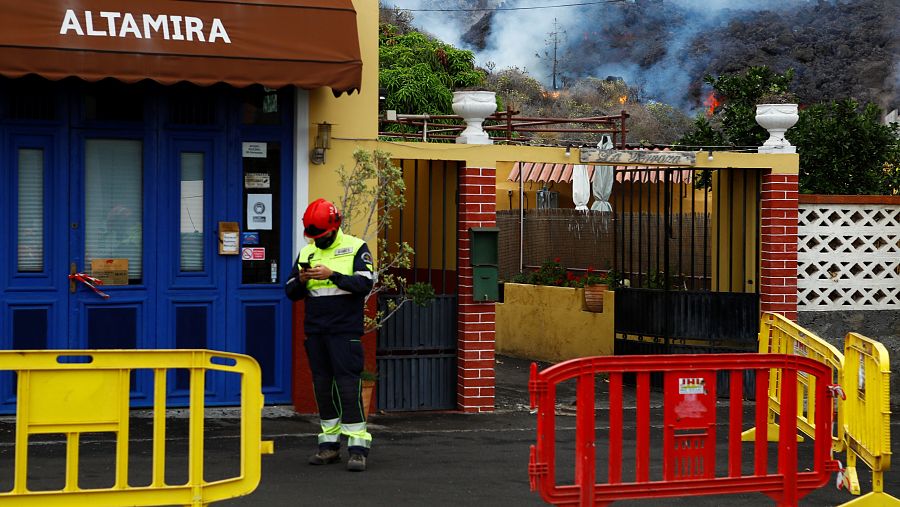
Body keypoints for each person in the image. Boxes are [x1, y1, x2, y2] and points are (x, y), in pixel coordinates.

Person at [285, 198, 375, 472]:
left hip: (344, 332)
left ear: (335, 228)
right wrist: (300, 281)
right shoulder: (306, 253)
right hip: (316, 332)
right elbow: (289, 292)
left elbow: (365, 282)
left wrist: (332, 274)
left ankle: (358, 449)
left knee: (348, 388)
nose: (319, 240)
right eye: (315, 237)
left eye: (323, 236)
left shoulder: (356, 247)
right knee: (323, 389)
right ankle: (329, 447)